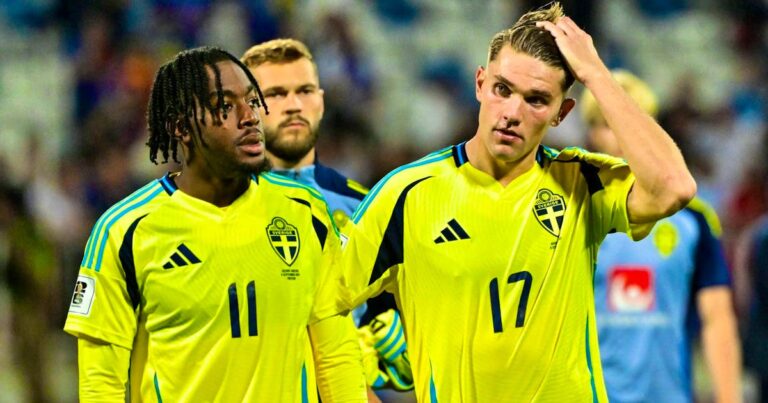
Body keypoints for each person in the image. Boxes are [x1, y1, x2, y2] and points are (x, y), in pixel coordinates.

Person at [319, 2, 697, 401]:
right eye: (502, 90)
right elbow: (321, 305)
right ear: (480, 84)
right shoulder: (408, 194)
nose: (512, 113)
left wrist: (596, 75)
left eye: (537, 100)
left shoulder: (581, 183)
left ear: (562, 112)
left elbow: (673, 187)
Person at [63, 46, 367, 402]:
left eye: (252, 101)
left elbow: (337, 357)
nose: (249, 117)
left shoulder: (306, 212)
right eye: (224, 106)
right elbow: (101, 383)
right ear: (180, 127)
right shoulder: (124, 232)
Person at [241, 38, 414, 396]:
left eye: (304, 91)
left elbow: (391, 321)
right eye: (275, 94)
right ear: (247, 108)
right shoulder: (219, 207)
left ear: (320, 101)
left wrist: (391, 343)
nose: (293, 105)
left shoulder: (363, 207)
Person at [582, 70, 742, 403]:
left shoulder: (694, 221)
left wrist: (729, 397)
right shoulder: (573, 216)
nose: (621, 134)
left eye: (634, 122)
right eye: (608, 123)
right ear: (592, 133)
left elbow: (717, 317)